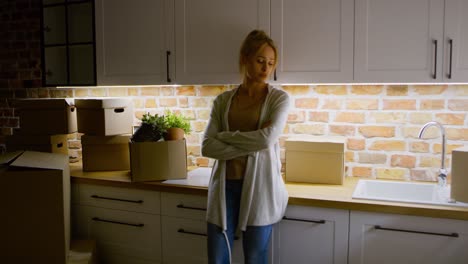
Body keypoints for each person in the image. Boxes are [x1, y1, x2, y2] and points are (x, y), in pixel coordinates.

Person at [201, 29, 290, 264]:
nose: (266, 68)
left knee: (254, 257)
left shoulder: (279, 99)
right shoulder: (222, 101)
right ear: (245, 59)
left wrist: (226, 136)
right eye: (260, 61)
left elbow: (266, 140)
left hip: (261, 189)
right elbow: (207, 147)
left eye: (271, 63)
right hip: (224, 188)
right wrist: (255, 139)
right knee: (218, 258)